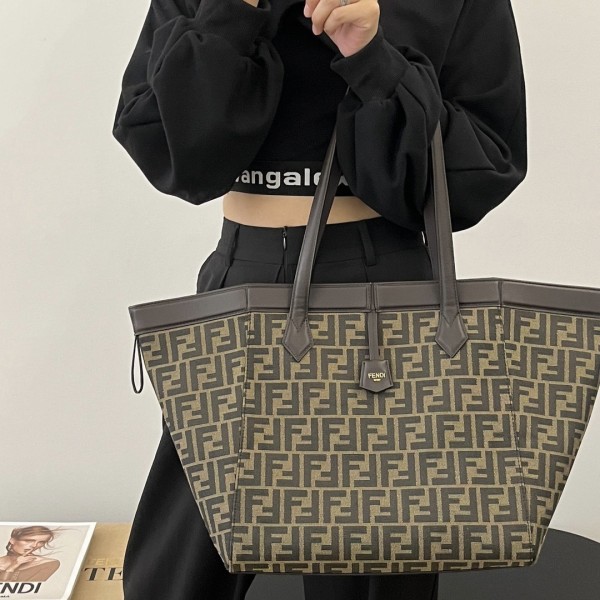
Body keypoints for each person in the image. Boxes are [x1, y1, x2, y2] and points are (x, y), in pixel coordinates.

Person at [112, 0, 527, 598]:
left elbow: (484, 165)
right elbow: (165, 147)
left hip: (381, 286)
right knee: (179, 565)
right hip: (242, 271)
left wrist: (373, 59)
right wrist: (230, 15)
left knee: (370, 558)